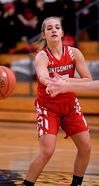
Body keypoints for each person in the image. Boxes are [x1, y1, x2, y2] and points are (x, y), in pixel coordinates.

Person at [23, 16, 92, 186]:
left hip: (70, 105)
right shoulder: (42, 57)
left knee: (86, 147)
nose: (53, 30)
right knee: (47, 151)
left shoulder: (74, 53)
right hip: (48, 107)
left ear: (62, 32)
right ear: (44, 35)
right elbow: (42, 76)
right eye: (49, 28)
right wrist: (52, 83)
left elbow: (88, 80)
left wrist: (66, 82)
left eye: (57, 27)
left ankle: (76, 184)